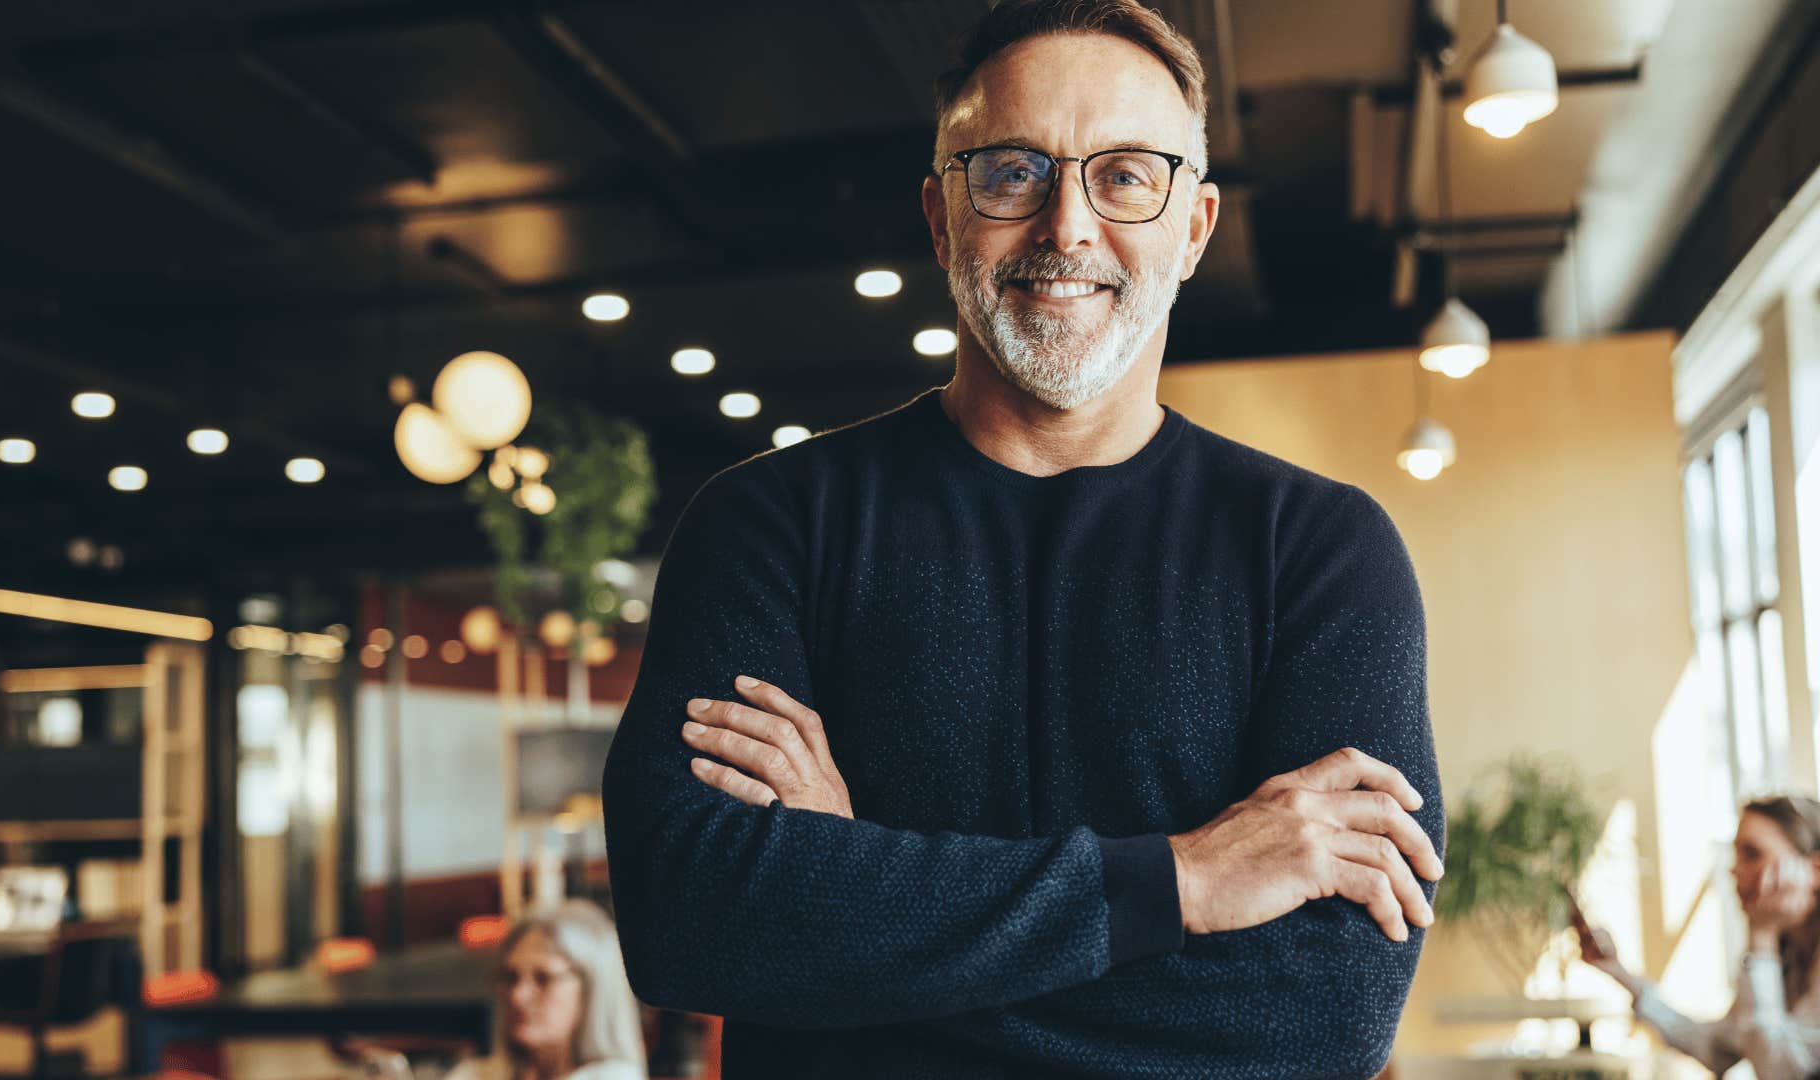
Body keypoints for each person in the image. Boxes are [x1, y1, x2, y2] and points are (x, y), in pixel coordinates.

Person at [600, 1, 1445, 1075]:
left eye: (1128, 175)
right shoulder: (765, 524)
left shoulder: (1321, 550)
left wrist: (852, 902)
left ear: (1194, 228)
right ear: (941, 215)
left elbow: (1328, 1015)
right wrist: (1179, 885)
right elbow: (691, 924)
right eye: (1011, 172)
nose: (1068, 228)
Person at [1572, 796, 1820, 1079]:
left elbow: (1781, 1072)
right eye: (1736, 853)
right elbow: (1716, 1047)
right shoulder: (1785, 955)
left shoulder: (1769, 948)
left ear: (1814, 869)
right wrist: (1621, 974)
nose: (1734, 870)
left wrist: (1761, 938)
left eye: (1752, 854)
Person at [444, 900, 647, 1080]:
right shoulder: (474, 1073)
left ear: (592, 989)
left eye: (543, 979)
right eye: (510, 977)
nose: (518, 996)